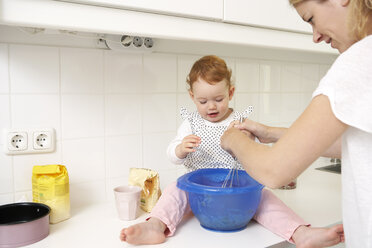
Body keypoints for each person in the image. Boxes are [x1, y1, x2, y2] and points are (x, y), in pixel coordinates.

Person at [120, 55, 344, 247]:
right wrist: (180, 150)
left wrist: (248, 145)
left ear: (231, 92)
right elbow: (171, 154)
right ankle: (156, 226)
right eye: (203, 101)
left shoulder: (240, 123)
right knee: (174, 190)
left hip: (238, 192)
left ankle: (301, 233)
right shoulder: (190, 124)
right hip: (199, 194)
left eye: (219, 99)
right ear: (191, 97)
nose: (212, 106)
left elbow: (259, 156)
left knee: (266, 199)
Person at [221, 0, 372, 247]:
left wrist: (232, 139)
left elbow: (273, 171)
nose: (315, 37)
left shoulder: (360, 59)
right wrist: (270, 133)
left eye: (311, 18)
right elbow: (356, 140)